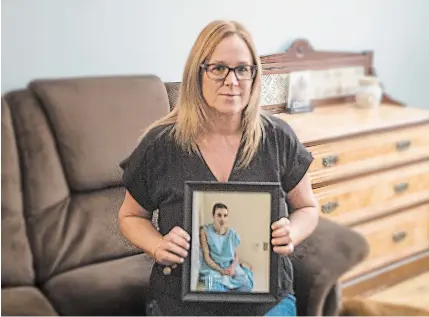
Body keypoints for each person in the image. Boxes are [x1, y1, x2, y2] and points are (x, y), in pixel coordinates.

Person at [118, 19, 319, 316]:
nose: (232, 80)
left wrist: (294, 231)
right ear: (197, 74)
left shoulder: (278, 138)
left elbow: (308, 209)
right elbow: (130, 216)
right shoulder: (160, 145)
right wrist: (157, 245)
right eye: (218, 68)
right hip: (181, 303)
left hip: (267, 302)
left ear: (254, 75)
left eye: (242, 69)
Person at [198, 203, 254, 292]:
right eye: (219, 215)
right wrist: (221, 271)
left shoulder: (231, 233)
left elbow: (236, 254)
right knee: (214, 289)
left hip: (229, 265)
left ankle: (244, 269)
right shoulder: (205, 231)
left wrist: (232, 267)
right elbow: (207, 258)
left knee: (246, 284)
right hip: (214, 268)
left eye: (225, 215)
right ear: (213, 216)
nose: (222, 219)